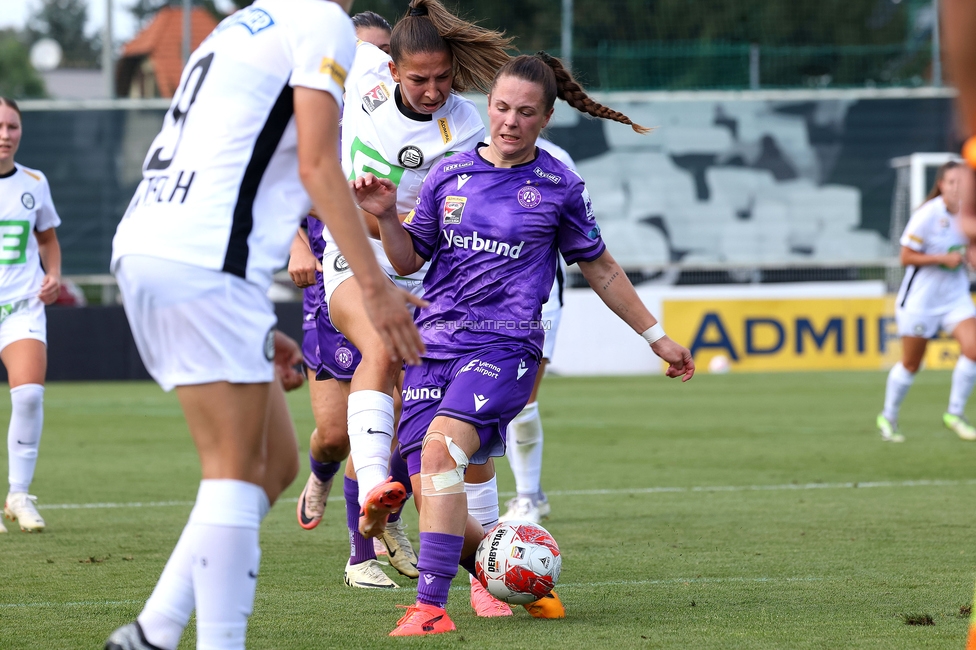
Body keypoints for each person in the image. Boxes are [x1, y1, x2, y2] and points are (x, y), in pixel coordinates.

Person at [103, 1, 424, 648]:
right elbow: (317, 165)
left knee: (275, 462)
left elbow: (259, 161)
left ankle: (152, 631)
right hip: (202, 261)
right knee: (232, 469)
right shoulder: (321, 23)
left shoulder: (239, 24)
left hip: (161, 246)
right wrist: (375, 288)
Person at [355, 52, 695, 636]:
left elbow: (603, 269)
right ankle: (519, 578)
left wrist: (656, 337)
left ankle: (430, 608)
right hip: (432, 346)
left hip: (505, 347)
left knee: (439, 460)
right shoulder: (448, 174)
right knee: (433, 488)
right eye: (502, 107)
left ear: (546, 118)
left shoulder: (559, 186)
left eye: (526, 112)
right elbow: (409, 259)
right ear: (488, 106)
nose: (510, 121)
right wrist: (387, 216)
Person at [319, 0, 509, 562]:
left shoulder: (466, 126)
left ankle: (489, 559)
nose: (432, 91)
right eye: (419, 79)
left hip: (425, 267)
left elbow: (457, 216)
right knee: (380, 341)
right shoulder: (361, 67)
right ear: (392, 68)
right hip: (353, 254)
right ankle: (376, 487)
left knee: (454, 420)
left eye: (444, 78)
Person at [290, 11, 420, 590]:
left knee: (398, 418)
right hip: (327, 276)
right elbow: (287, 185)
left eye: (379, 55)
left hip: (388, 275)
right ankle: (320, 471)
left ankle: (363, 548)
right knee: (335, 433)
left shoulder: (405, 125)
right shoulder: (316, 116)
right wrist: (296, 242)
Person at [499, 137, 573, 525]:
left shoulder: (557, 160)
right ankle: (529, 491)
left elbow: (578, 236)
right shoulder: (469, 154)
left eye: (526, 110)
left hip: (538, 300)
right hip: (479, 302)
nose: (512, 119)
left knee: (523, 401)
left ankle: (527, 495)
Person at [876, 161, 976, 442]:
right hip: (921, 302)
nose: (958, 187)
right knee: (911, 363)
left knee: (974, 348)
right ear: (941, 185)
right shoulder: (928, 215)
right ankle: (889, 415)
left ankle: (955, 413)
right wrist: (942, 259)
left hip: (955, 298)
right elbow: (906, 257)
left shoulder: (969, 215)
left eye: (963, 182)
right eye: (952, 182)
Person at [0, 97, 62, 535]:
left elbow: (47, 240)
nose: (5, 134)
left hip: (21, 305)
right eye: (0, 126)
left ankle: (18, 495)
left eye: (12, 126)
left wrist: (54, 275)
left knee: (28, 395)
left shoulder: (34, 183)